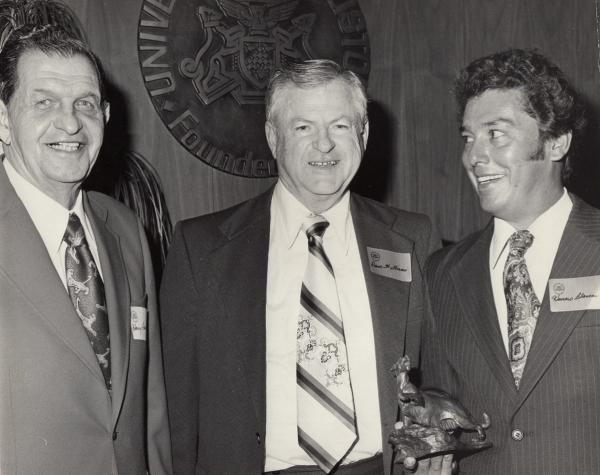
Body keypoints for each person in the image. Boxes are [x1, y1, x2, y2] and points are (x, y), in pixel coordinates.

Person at [160, 59, 448, 474]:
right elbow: (178, 408)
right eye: (303, 128)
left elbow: (439, 372)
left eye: (340, 126)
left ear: (363, 134)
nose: (324, 145)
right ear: (273, 137)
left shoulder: (412, 239)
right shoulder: (201, 248)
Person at [0, 24, 172, 474]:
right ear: (2, 119)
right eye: (44, 102)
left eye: (85, 104)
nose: (71, 122)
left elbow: (149, 409)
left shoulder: (126, 229)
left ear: (106, 116)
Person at [421, 48, 598, 474]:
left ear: (556, 142)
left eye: (495, 133)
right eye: (468, 138)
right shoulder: (442, 273)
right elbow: (439, 400)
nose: (473, 157)